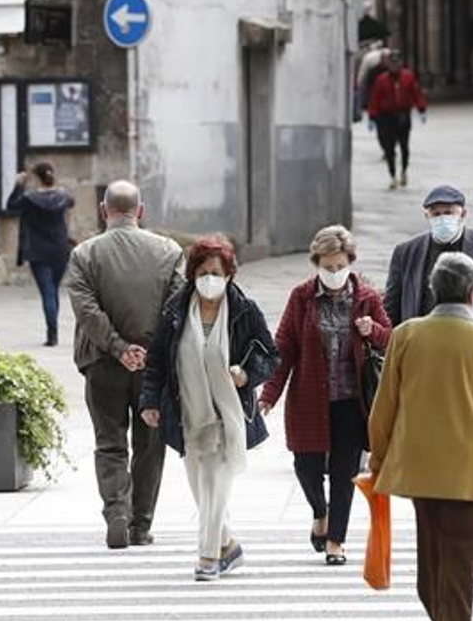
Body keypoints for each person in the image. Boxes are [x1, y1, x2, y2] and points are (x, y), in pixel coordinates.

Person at [367, 252, 473, 621]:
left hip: (420, 468)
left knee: (432, 558)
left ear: (436, 290)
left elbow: (384, 406)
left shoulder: (406, 335)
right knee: (460, 560)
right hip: (472, 469)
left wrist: (378, 457)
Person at [137, 236, 278, 580]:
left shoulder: (245, 310)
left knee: (215, 487)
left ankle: (207, 558)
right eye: (202, 271)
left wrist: (247, 374)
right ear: (192, 274)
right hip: (188, 415)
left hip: (227, 417)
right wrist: (150, 400)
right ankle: (229, 545)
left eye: (216, 272)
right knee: (201, 491)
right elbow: (156, 359)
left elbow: (271, 356)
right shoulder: (175, 310)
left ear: (229, 274)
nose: (209, 278)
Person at [259, 225, 393, 566]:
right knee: (306, 467)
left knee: (344, 473)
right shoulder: (301, 297)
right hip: (309, 397)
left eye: (339, 266)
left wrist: (371, 330)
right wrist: (269, 394)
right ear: (316, 263)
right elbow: (284, 347)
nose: (334, 273)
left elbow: (391, 339)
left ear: (350, 262)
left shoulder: (367, 298)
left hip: (352, 401)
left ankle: (336, 540)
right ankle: (320, 511)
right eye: (327, 266)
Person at [65, 181, 185, 549]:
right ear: (141, 210)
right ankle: (141, 523)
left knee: (109, 442)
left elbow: (86, 310)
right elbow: (176, 306)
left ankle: (117, 510)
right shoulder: (169, 251)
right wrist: (149, 351)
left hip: (103, 361)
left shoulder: (85, 254)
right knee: (150, 443)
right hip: (153, 365)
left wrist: (119, 348)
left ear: (104, 211)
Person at [383, 185, 473, 328]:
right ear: (427, 216)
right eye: (436, 214)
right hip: (423, 344)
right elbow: (391, 309)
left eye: (448, 213)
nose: (442, 218)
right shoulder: (406, 252)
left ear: (463, 214)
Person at [6, 161, 76, 347]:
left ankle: (52, 334)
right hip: (60, 248)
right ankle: (53, 329)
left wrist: (19, 184)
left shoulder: (29, 198)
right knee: (53, 290)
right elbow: (71, 203)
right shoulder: (63, 195)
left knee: (48, 292)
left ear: (36, 177)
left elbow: (11, 205)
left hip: (38, 250)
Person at [364, 50, 429, 190]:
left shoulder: (408, 77)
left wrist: (421, 108)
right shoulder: (381, 80)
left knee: (404, 146)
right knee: (389, 148)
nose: (395, 65)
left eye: (397, 62)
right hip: (386, 117)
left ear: (401, 63)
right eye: (392, 62)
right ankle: (393, 176)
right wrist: (372, 116)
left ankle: (404, 171)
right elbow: (375, 98)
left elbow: (416, 93)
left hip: (403, 116)